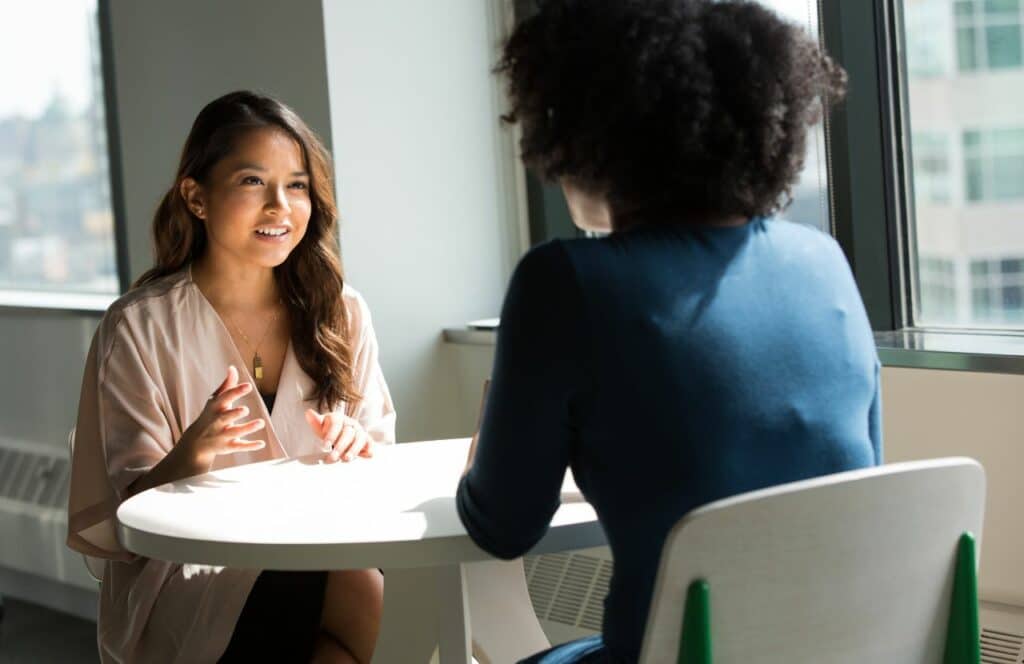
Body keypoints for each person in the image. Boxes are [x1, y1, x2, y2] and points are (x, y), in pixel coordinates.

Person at [456, 1, 878, 663]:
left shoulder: (566, 281)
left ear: (590, 134)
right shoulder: (824, 262)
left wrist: (486, 456)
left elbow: (503, 527)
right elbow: (858, 480)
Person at [66, 91, 395, 663]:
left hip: (317, 551)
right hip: (187, 572)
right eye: (252, 182)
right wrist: (190, 456)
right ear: (196, 197)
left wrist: (358, 444)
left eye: (296, 185)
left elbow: (381, 462)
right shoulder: (140, 326)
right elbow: (126, 519)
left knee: (357, 576)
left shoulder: (342, 312)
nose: (280, 207)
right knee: (328, 584)